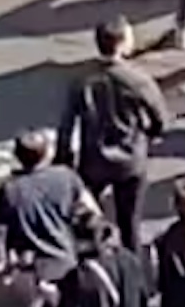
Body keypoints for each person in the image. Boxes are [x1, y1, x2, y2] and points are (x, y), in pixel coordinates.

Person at [57, 15, 168, 249]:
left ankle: (94, 258)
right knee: (130, 223)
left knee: (88, 219)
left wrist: (64, 158)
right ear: (123, 42)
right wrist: (151, 134)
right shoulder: (137, 80)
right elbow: (159, 115)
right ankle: (132, 270)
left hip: (94, 159)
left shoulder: (82, 79)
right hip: (130, 159)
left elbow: (67, 124)